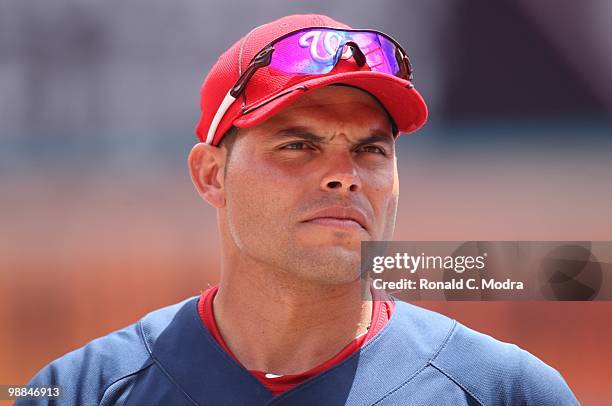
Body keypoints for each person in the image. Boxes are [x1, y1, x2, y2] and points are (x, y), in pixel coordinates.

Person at [18, 14, 578, 406]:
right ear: (212, 175)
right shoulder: (82, 391)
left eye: (370, 149)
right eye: (297, 145)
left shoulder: (506, 392)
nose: (344, 173)